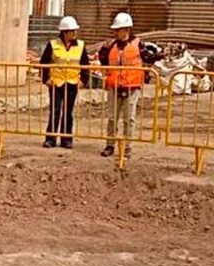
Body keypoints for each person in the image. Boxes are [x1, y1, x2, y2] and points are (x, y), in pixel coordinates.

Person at [98, 12, 158, 160]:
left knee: (128, 119)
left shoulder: (139, 45)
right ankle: (110, 144)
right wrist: (103, 52)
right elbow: (104, 61)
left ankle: (127, 146)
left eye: (118, 30)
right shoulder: (110, 45)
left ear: (126, 29)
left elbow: (150, 58)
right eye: (115, 30)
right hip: (114, 86)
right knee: (112, 118)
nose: (115, 32)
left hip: (132, 86)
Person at [40, 16, 90, 150]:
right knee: (54, 111)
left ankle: (66, 139)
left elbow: (85, 64)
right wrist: (46, 79)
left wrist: (83, 81)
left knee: (68, 112)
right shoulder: (53, 44)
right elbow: (44, 62)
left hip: (72, 83)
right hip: (56, 83)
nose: (74, 34)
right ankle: (50, 138)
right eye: (72, 31)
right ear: (64, 32)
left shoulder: (80, 46)